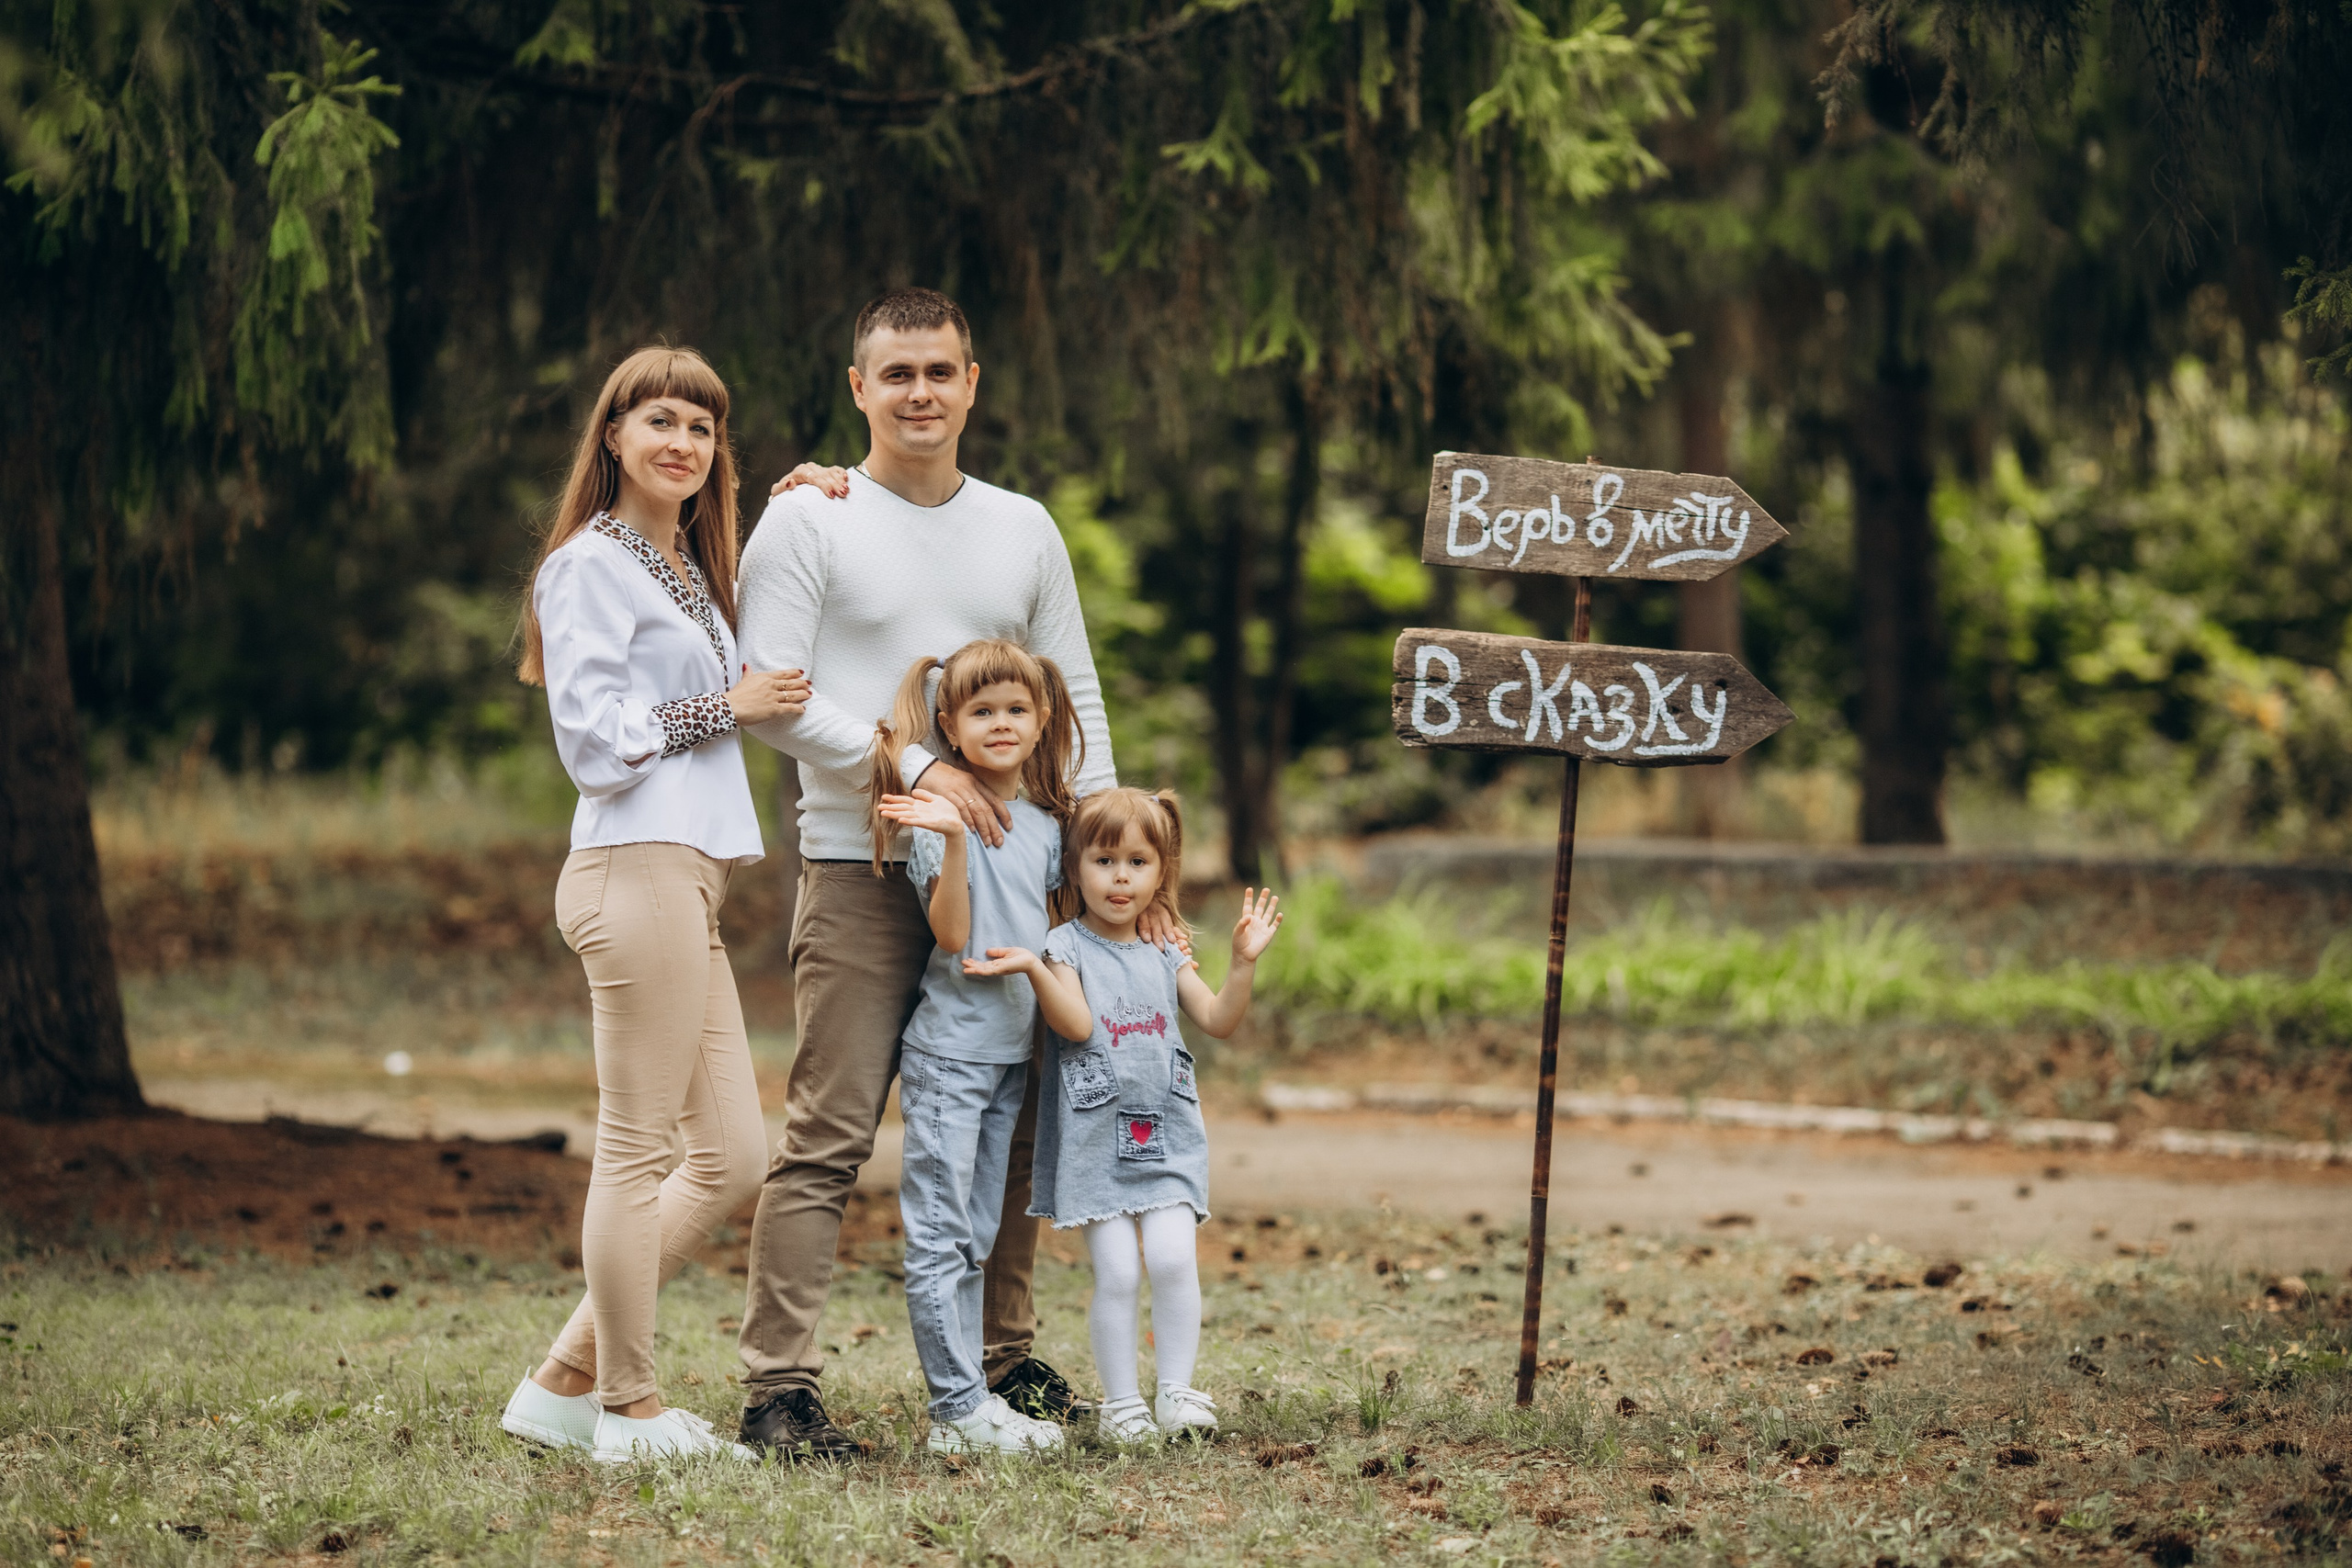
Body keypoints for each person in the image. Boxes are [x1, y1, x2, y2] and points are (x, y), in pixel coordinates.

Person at [729, 287, 1179, 1461]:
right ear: (858, 388)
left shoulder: (1022, 527)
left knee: (1017, 1121)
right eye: (897, 373)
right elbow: (770, 700)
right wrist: (918, 760)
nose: (919, 392)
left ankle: (1002, 1362)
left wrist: (1106, 865)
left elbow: (1075, 705)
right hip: (860, 863)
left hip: (1016, 879)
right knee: (829, 1131)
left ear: (972, 383)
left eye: (940, 371)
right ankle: (779, 1389)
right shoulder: (809, 522)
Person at [498, 346, 809, 1464]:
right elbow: (594, 745)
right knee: (635, 1150)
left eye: (703, 429)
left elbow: (749, 646)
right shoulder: (588, 564)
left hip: (686, 878)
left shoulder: (683, 566)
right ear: (614, 436)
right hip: (633, 866)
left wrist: (806, 497)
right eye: (661, 421)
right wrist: (723, 707)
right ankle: (628, 1409)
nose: (683, 443)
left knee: (730, 1155)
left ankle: (560, 1383)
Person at [997, 789, 1283, 1443]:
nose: (1120, 878)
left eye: (1137, 862)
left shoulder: (1165, 949)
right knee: (1120, 1273)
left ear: (1161, 872)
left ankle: (1176, 1393)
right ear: (1074, 869)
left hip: (1169, 1134)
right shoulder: (1063, 945)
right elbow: (1076, 1025)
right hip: (1095, 1141)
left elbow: (1217, 1019)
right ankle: (1123, 1405)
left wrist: (1242, 964)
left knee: (1175, 1260)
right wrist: (1034, 968)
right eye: (1103, 861)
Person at [867, 639, 1081, 1453]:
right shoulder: (940, 820)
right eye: (982, 711)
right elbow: (953, 935)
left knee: (977, 1237)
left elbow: (1065, 921)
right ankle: (956, 1410)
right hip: (949, 1057)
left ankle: (968, 1403)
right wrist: (954, 839)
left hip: (1009, 1056)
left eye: (1016, 710)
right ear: (950, 727)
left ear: (1042, 720)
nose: (1001, 723)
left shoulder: (1048, 828)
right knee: (940, 1231)